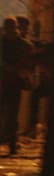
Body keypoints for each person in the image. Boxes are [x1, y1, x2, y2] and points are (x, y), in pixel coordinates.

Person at [0, 17, 31, 155]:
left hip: (10, 82)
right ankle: (11, 143)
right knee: (11, 113)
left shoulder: (21, 44)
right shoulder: (22, 44)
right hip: (10, 82)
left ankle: (12, 142)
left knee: (12, 113)